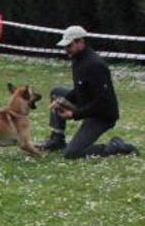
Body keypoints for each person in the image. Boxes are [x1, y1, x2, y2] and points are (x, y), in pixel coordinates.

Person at [38, 26, 137, 158]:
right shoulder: (77, 60)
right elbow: (81, 89)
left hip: (101, 115)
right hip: (87, 105)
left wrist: (74, 114)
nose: (66, 50)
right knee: (57, 92)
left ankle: (115, 146)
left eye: (69, 46)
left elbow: (102, 102)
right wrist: (61, 100)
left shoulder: (95, 65)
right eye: (65, 46)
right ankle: (57, 139)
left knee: (72, 154)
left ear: (81, 42)